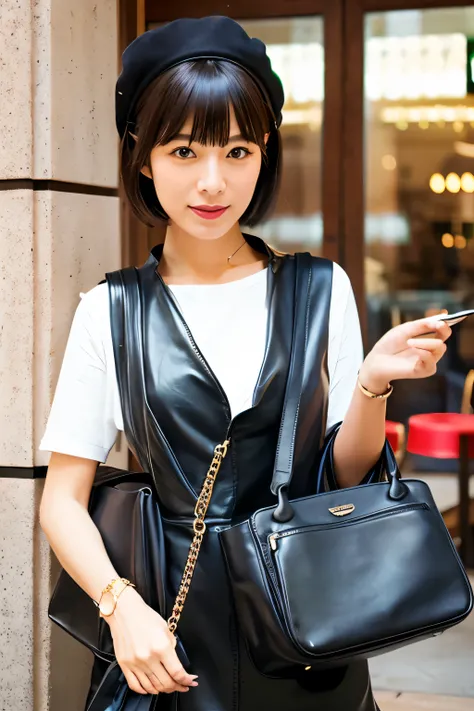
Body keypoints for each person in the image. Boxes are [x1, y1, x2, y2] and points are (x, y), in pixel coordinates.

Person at [38, 16, 452, 711]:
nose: (212, 182)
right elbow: (61, 500)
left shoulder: (322, 288)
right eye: (182, 151)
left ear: (264, 151)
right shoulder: (109, 310)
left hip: (308, 633)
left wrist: (372, 382)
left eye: (236, 150)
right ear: (143, 158)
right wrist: (120, 607)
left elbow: (343, 474)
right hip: (165, 641)